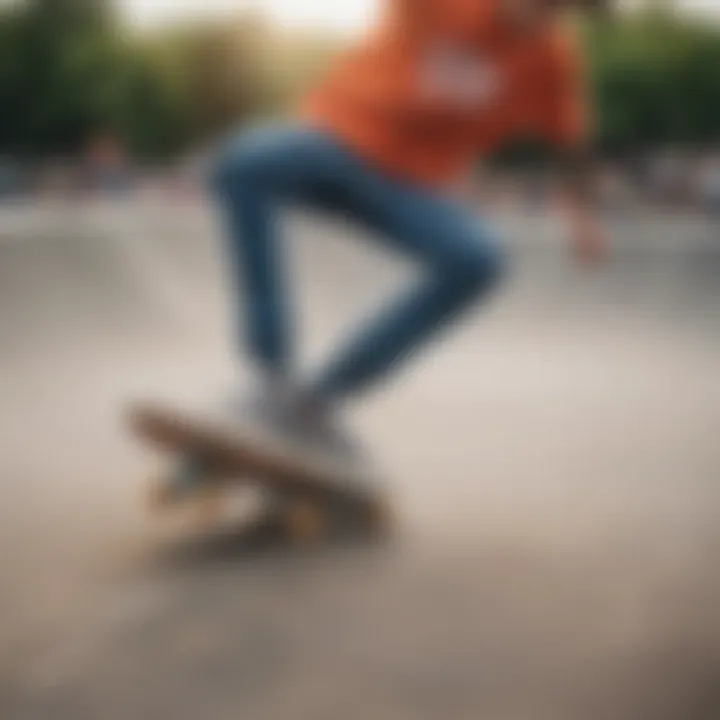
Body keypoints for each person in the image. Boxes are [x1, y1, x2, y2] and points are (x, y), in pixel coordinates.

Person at [202, 0, 606, 476]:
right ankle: (269, 376)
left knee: (477, 258)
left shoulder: (551, 57)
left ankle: (315, 402)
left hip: (407, 190)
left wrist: (581, 213)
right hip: (334, 146)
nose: (543, 20)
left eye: (562, 13)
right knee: (245, 164)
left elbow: (571, 140)